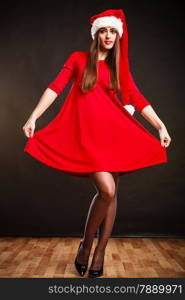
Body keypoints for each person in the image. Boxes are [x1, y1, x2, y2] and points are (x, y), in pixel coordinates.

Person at [22, 9, 171, 277]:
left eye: (113, 31)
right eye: (104, 30)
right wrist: (34, 117)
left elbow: (136, 97)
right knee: (108, 191)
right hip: (88, 137)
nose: (108, 36)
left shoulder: (118, 68)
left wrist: (159, 125)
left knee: (111, 193)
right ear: (96, 34)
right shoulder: (78, 59)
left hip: (115, 136)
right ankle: (86, 244)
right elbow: (55, 87)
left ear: (118, 35)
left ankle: (99, 252)